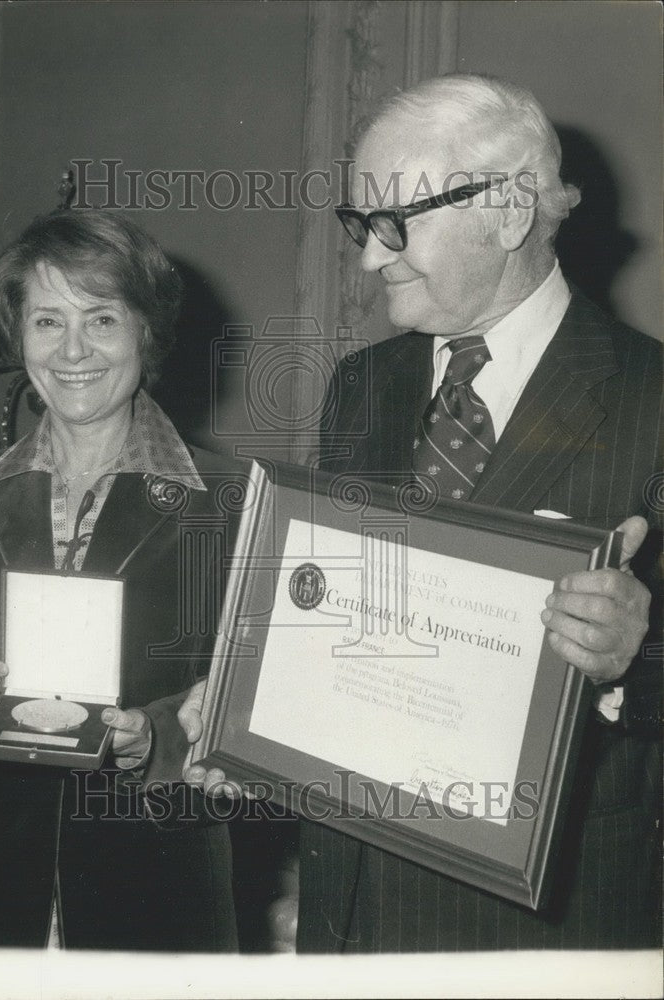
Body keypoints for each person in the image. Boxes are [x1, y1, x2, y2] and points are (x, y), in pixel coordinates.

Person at [181, 74, 661, 951]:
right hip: (350, 907)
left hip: (548, 927)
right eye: (359, 225)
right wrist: (246, 708)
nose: (368, 258)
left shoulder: (654, 398)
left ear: (510, 210)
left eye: (395, 224)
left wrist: (637, 651)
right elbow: (337, 618)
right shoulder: (363, 383)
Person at [0, 210, 239, 950]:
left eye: (101, 318)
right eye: (45, 321)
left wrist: (154, 739)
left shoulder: (230, 497)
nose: (72, 351)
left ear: (145, 332)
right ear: (17, 336)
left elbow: (259, 693)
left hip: (157, 882)